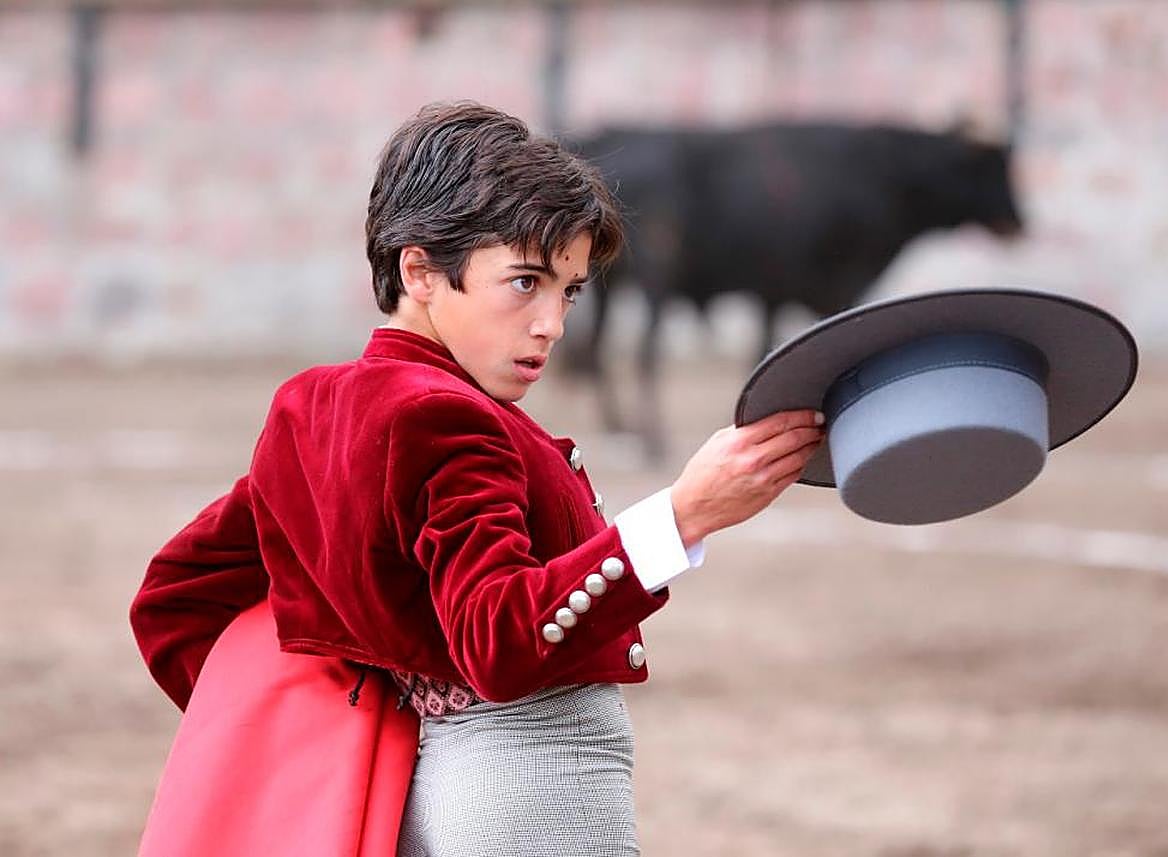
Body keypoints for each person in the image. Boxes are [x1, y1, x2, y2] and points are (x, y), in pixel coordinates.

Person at [130, 101, 825, 857]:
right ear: (420, 269)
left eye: (568, 290)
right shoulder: (446, 416)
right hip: (527, 791)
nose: (553, 322)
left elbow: (174, 596)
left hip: (431, 786)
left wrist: (330, 719)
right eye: (525, 283)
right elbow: (499, 641)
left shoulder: (311, 409)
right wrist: (682, 516)